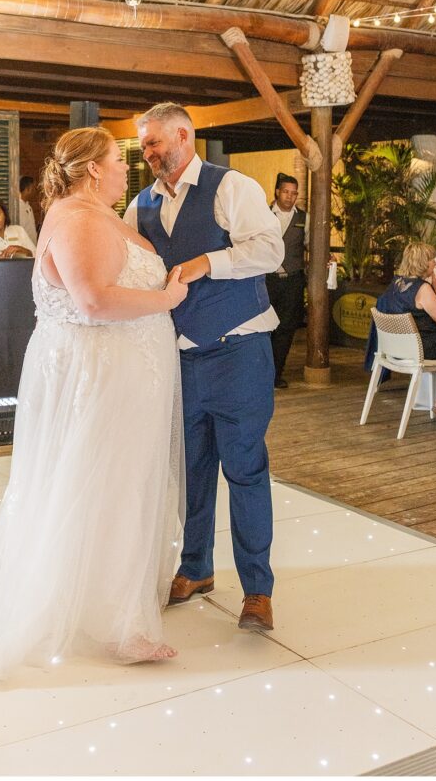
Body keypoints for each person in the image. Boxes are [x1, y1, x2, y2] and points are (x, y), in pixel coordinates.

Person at [0, 127, 188, 681]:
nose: (125, 169)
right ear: (91, 170)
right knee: (102, 483)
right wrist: (168, 297)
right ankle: (117, 622)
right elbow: (93, 299)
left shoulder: (95, 212)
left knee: (104, 484)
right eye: (116, 161)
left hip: (118, 368)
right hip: (104, 371)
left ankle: (103, 599)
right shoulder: (79, 217)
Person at [125, 103, 284, 634]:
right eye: (143, 147)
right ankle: (195, 568)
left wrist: (205, 263)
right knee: (190, 472)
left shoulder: (230, 187)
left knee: (244, 469)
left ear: (184, 135)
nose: (147, 155)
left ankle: (258, 589)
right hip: (178, 359)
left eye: (154, 143)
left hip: (239, 350)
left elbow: (269, 249)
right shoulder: (140, 204)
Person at [367, 241, 436, 421]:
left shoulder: (396, 283)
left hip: (395, 352)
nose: (435, 264)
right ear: (423, 262)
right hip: (423, 350)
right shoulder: (423, 289)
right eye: (432, 260)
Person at [267, 173, 308, 388]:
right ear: (277, 192)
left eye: (294, 193)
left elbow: (311, 245)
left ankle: (276, 374)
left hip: (292, 280)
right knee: (265, 328)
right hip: (267, 280)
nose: (290, 197)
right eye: (286, 192)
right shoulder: (262, 214)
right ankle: (261, 374)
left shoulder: (304, 218)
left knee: (286, 328)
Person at [18, 174, 38, 247]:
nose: (35, 191)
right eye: (34, 188)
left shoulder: (28, 206)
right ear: (27, 189)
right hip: (23, 248)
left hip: (32, 248)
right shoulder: (17, 209)